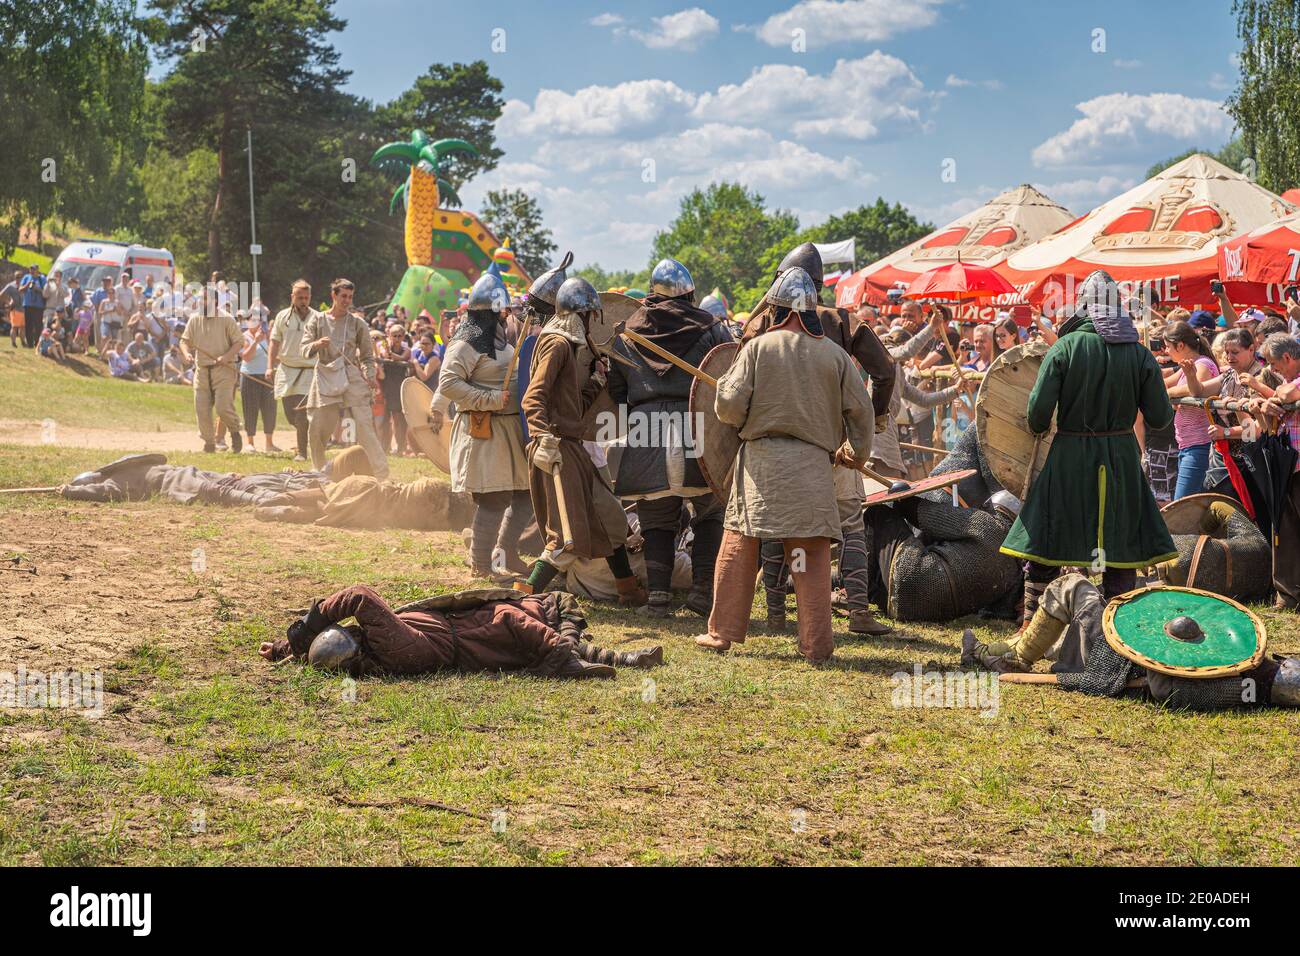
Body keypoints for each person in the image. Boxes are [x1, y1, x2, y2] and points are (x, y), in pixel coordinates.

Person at [695, 267, 875, 663]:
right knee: (806, 558)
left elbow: (727, 408)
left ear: (777, 310)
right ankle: (816, 646)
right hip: (812, 466)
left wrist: (739, 412)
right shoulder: (836, 355)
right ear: (810, 310)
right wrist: (856, 453)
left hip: (760, 467)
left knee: (740, 547)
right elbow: (861, 413)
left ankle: (721, 633)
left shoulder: (757, 349)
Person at [1000, 270, 1177, 621]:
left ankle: (1033, 623)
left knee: (1046, 537)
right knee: (1119, 545)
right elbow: (1160, 418)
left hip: (1069, 456)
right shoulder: (1140, 355)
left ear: (1082, 307)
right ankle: (1117, 631)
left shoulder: (1064, 348)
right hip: (1122, 459)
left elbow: (1037, 415)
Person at [961, 573, 1300, 710]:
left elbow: (1165, 688)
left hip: (1111, 664)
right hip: (1121, 652)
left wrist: (1154, 649)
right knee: (1064, 635)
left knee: (1072, 586)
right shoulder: (1247, 672)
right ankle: (997, 653)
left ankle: (1010, 657)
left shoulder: (1231, 687)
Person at [607, 257, 733, 617]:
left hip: (647, 427)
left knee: (656, 515)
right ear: (691, 294)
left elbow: (617, 390)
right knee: (710, 511)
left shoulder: (628, 331)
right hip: (698, 423)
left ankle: (659, 597)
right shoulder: (711, 327)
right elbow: (726, 372)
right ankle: (703, 594)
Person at [516, 276, 646, 606]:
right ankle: (525, 596)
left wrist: (597, 380)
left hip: (572, 446)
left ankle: (628, 589)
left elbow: (573, 406)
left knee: (612, 520)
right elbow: (533, 398)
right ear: (583, 315)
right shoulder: (557, 344)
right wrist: (542, 436)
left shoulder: (570, 348)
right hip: (556, 448)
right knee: (566, 537)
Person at [260, 586, 662, 680]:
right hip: (477, 636)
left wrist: (286, 649)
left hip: (474, 640)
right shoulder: (392, 646)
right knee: (520, 618)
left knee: (545, 612)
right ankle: (581, 660)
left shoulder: (376, 657)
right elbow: (359, 597)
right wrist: (298, 637)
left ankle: (624, 658)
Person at [430, 271, 533, 581]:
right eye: (504, 308)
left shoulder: (499, 336)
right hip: (484, 429)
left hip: (507, 429)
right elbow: (448, 382)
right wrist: (488, 398)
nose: (508, 313)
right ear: (494, 308)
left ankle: (507, 550)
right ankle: (481, 564)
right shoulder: (468, 339)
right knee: (493, 498)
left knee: (526, 494)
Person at [862, 490, 1024, 623]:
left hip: (912, 580)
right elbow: (999, 613)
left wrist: (902, 498)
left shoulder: (986, 524)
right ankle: (869, 594)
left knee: (877, 513)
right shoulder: (1015, 566)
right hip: (928, 612)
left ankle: (859, 595)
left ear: (992, 507)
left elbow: (923, 514)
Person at [303, 278, 388, 478]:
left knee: (364, 426)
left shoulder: (358, 323)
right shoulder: (317, 320)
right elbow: (304, 348)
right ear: (333, 295)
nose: (347, 301)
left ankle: (381, 474)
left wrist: (370, 376)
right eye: (343, 296)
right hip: (325, 374)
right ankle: (320, 472)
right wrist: (317, 345)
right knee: (317, 427)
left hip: (351, 376)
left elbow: (367, 357)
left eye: (350, 297)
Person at [1247, 333, 1300, 609]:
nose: (1272, 370)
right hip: (1287, 465)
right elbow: (1281, 402)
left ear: (1288, 358)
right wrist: (1264, 404)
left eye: (1274, 364)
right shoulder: (1287, 381)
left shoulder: (1293, 383)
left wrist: (1272, 394)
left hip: (1298, 466)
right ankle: (1288, 596)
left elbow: (1289, 394)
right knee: (1285, 530)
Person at [1161, 320, 1220, 499]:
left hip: (1199, 444)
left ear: (1180, 345)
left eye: (1168, 347)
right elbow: (1162, 385)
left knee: (1183, 505)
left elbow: (1194, 390)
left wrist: (1171, 394)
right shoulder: (1188, 364)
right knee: (1190, 506)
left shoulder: (1202, 363)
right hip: (1187, 444)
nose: (1166, 351)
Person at [179, 302, 244, 453]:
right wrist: (187, 353)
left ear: (215, 303)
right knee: (201, 408)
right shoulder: (195, 319)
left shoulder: (227, 319)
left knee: (222, 407)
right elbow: (184, 341)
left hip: (224, 369)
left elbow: (239, 342)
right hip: (202, 369)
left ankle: (234, 432)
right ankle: (209, 443)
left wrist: (226, 357)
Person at [269, 279, 318, 462]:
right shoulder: (282, 316)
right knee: (291, 415)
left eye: (306, 297)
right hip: (287, 370)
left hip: (309, 371)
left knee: (301, 415)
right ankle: (304, 439)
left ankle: (302, 452)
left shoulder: (317, 318)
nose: (303, 301)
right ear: (293, 297)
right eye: (299, 297)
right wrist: (269, 366)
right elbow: (274, 342)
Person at [238, 309, 278, 453]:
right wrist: (255, 341)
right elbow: (246, 357)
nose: (255, 322)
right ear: (246, 321)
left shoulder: (267, 336)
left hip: (267, 376)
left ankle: (269, 443)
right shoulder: (243, 337)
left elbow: (272, 354)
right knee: (250, 409)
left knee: (270, 409)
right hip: (249, 376)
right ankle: (250, 442)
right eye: (252, 320)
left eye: (258, 320)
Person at [376, 321, 413, 455]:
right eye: (394, 335)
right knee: (384, 421)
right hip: (386, 387)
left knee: (399, 421)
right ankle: (384, 448)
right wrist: (387, 352)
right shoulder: (384, 347)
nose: (397, 338)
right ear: (389, 336)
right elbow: (384, 355)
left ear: (403, 336)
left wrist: (392, 356)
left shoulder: (406, 349)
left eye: (399, 336)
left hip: (399, 388)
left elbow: (404, 357)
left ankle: (401, 447)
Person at [18, 265, 45, 349]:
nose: (32, 271)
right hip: (28, 304)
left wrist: (37, 289)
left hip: (39, 306)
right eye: (31, 269)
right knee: (28, 325)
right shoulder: (26, 277)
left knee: (38, 325)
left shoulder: (42, 279)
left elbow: (46, 292)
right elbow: (20, 289)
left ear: (37, 270)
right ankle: (29, 343)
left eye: (34, 269)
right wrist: (27, 285)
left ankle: (37, 343)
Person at [2, 271, 23, 348]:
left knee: (23, 327)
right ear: (15, 277)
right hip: (15, 308)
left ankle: (23, 342)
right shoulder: (10, 285)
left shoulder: (25, 284)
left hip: (24, 308)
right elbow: (1, 294)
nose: (19, 278)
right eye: (17, 277)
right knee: (14, 327)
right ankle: (13, 342)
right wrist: (8, 303)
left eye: (20, 276)